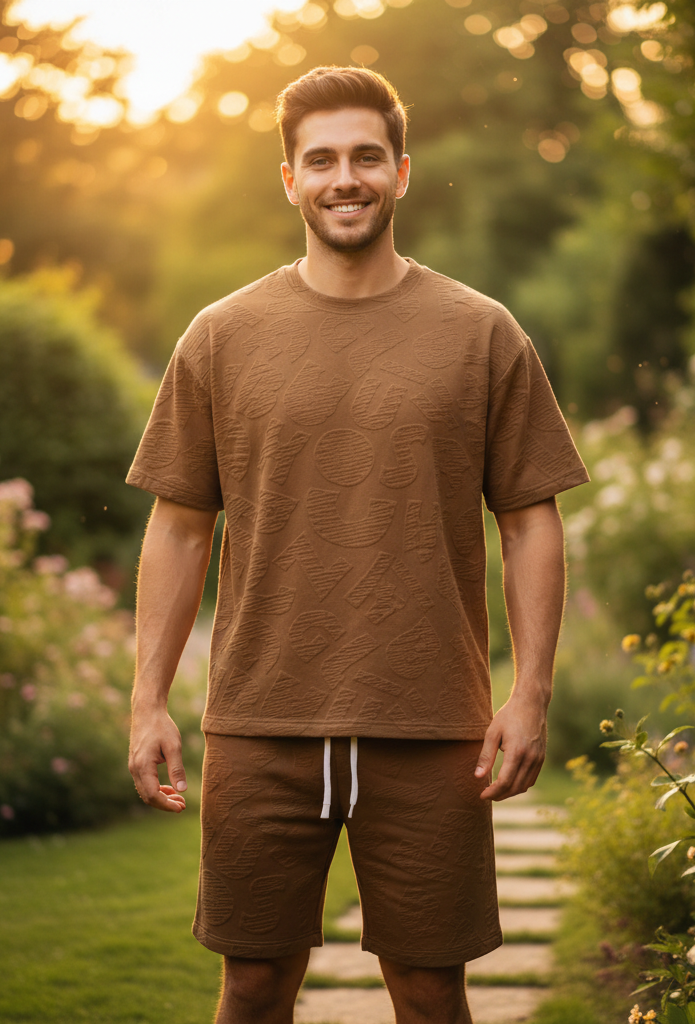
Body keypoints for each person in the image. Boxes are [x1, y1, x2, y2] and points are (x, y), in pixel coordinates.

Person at [126, 66, 589, 1024]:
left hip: (432, 727)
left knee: (430, 991)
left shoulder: (482, 333)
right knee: (254, 986)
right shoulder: (220, 336)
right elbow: (178, 525)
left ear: (402, 171)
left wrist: (531, 693)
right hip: (261, 722)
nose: (347, 178)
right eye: (322, 159)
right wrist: (147, 701)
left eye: (367, 157)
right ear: (289, 180)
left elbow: (529, 520)